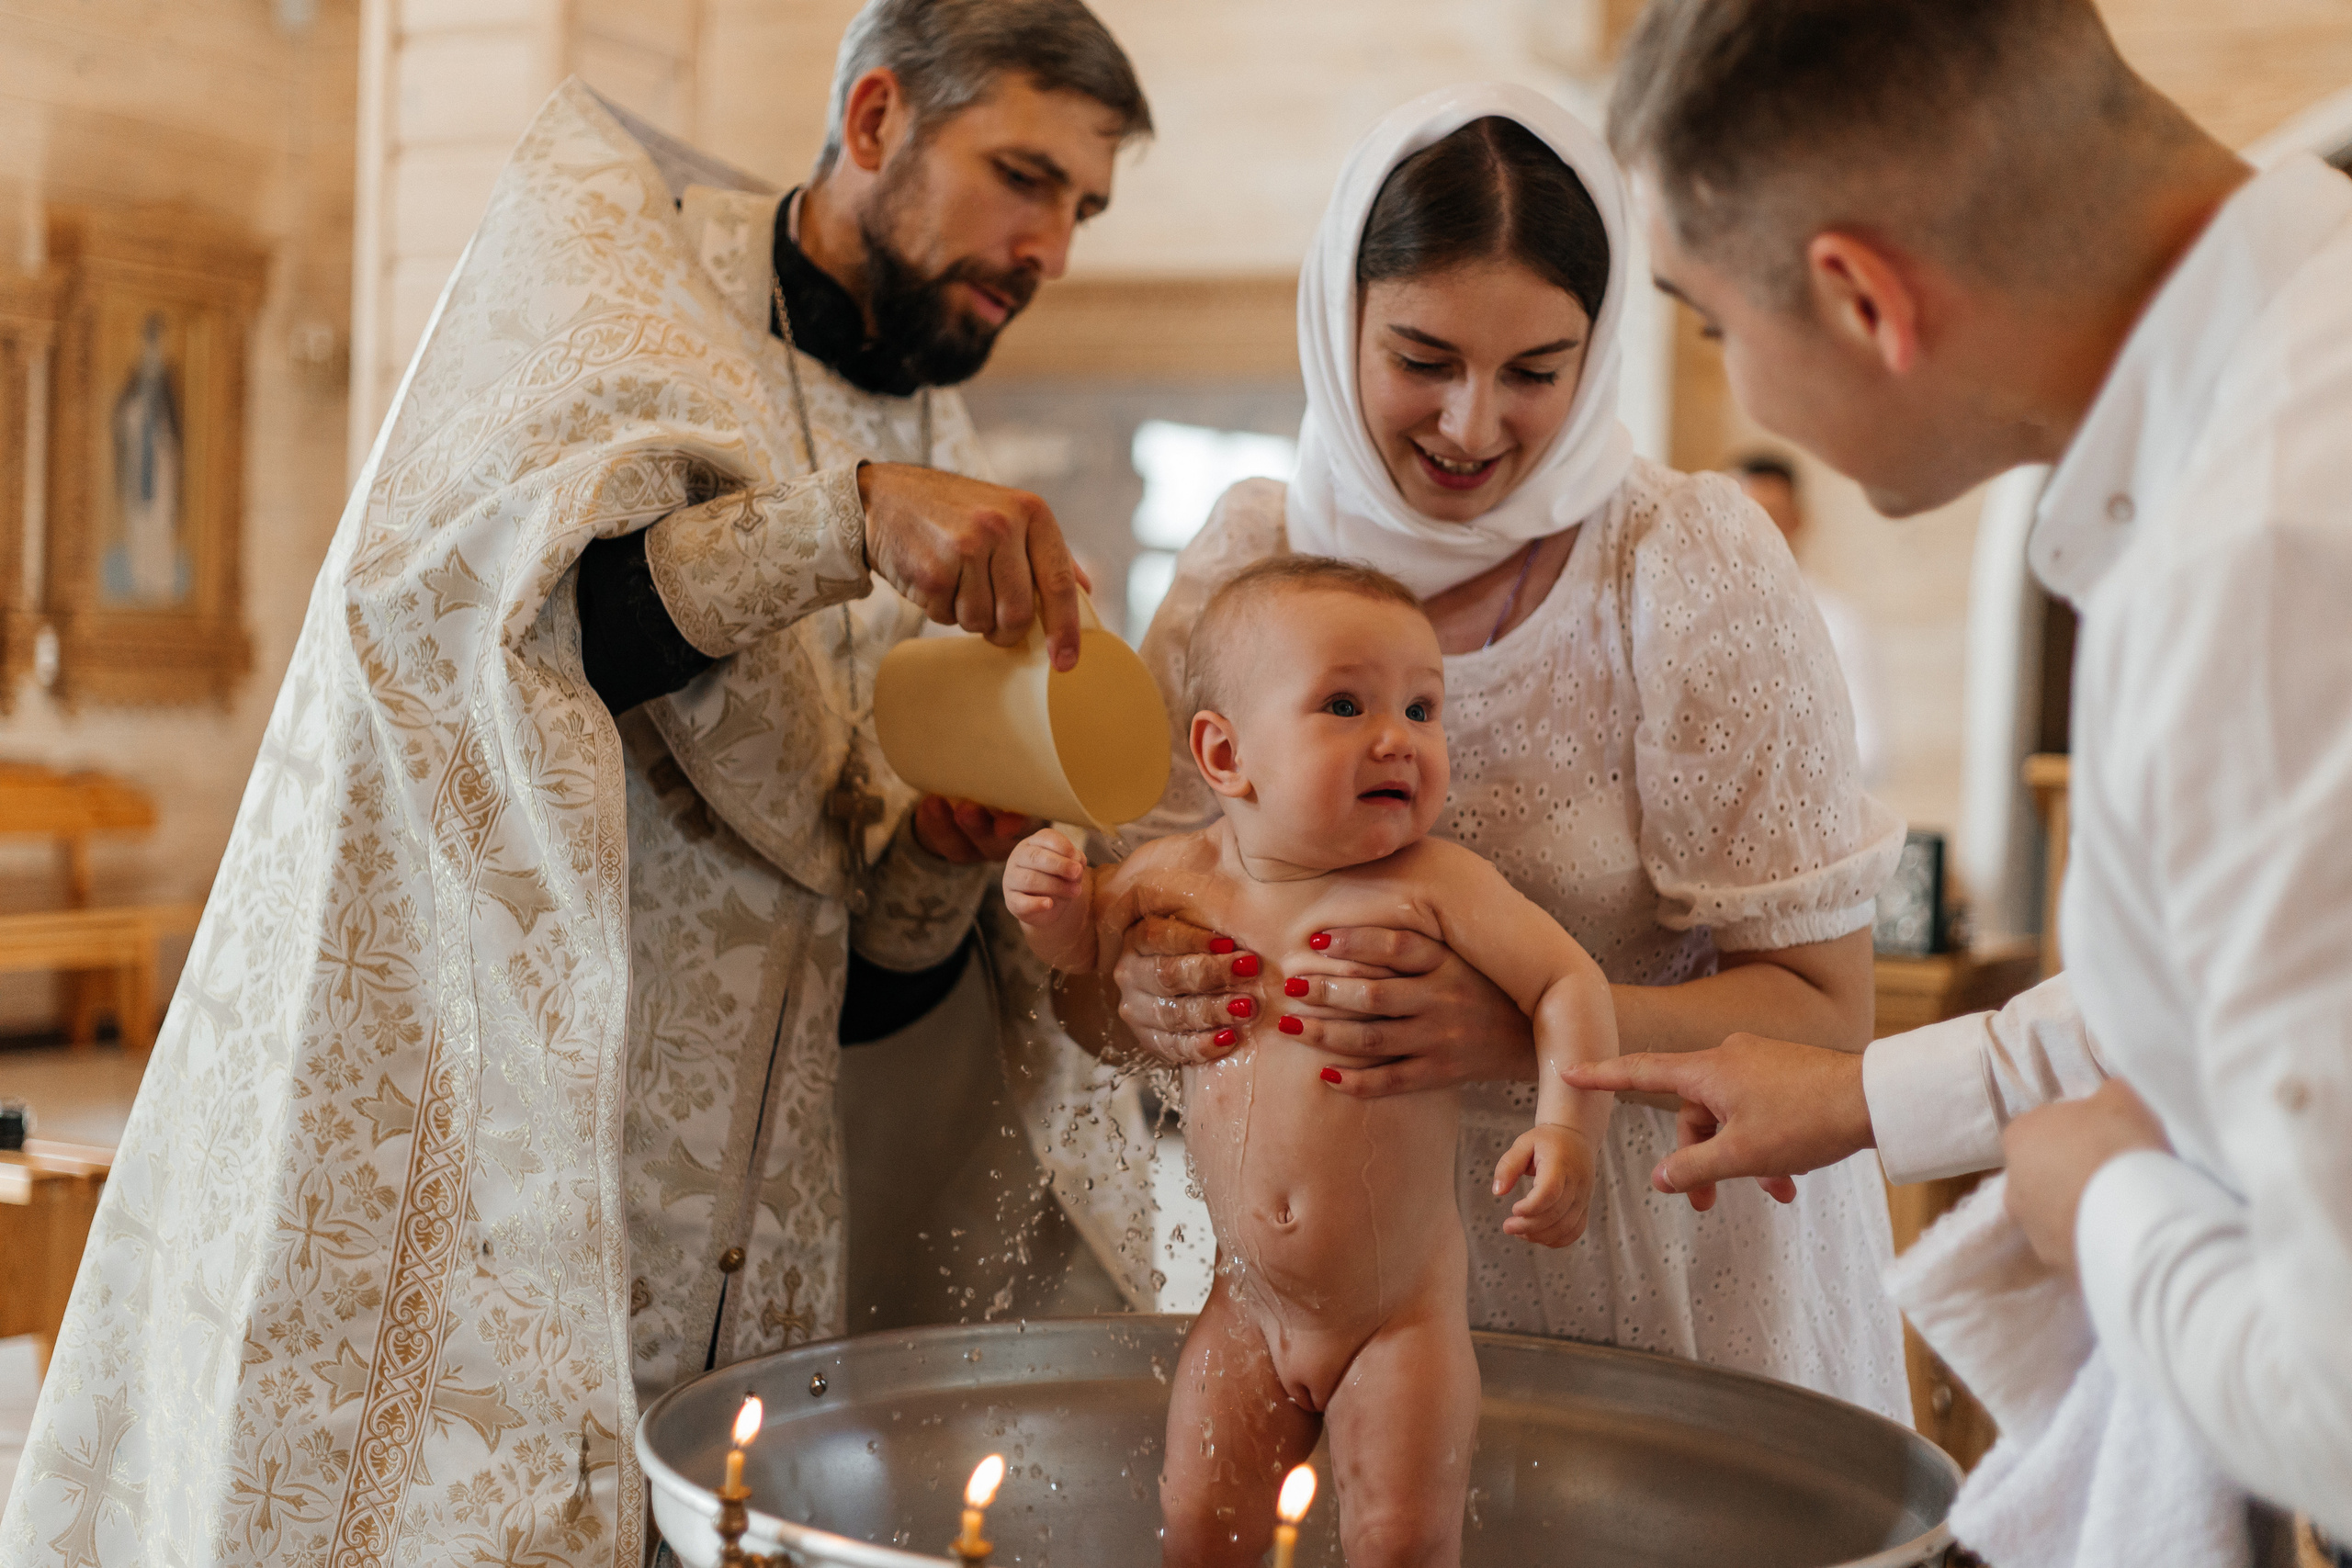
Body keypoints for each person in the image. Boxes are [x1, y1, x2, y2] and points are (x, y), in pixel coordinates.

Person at [0, 5, 1148, 1564]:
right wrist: (848, 520)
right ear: (875, 119)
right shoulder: (628, 282)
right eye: (1025, 177)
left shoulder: (934, 429)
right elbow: (501, 641)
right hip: (509, 1183)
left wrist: (944, 851)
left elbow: (856, 981)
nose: (1051, 248)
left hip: (756, 1250)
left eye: (1080, 208)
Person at [1566, 0, 2352, 1546]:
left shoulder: (2257, 559)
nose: (1746, 397)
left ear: (1864, 298)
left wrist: (2099, 1209)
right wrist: (1874, 1091)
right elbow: (2234, 991)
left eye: (1717, 327)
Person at [1062, 84, 1911, 1419]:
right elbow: (1121, 958)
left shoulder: (1680, 564)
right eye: (1422, 357)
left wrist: (1525, 1030)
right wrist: (1133, 990)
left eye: (1534, 373)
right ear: (1337, 317)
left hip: (1646, 1256)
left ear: (1599, 353)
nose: (1471, 427)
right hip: (1328, 1280)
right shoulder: (1248, 562)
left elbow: (1827, 1009)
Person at [1007, 557, 1618, 1567]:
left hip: (1399, 1321)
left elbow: (1568, 986)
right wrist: (1053, 905)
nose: (1398, 738)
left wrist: (1566, 1131)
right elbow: (1082, 964)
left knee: (1400, 1545)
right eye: (1345, 704)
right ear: (1224, 753)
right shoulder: (1173, 879)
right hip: (1244, 1307)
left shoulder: (1433, 882)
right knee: (1199, 1535)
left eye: (1423, 709)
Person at [1731, 452, 1885, 785]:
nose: (1754, 532)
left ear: (1798, 519)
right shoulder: (1701, 625)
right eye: (1742, 516)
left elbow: (1871, 750)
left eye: (1770, 515)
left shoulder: (1840, 623)